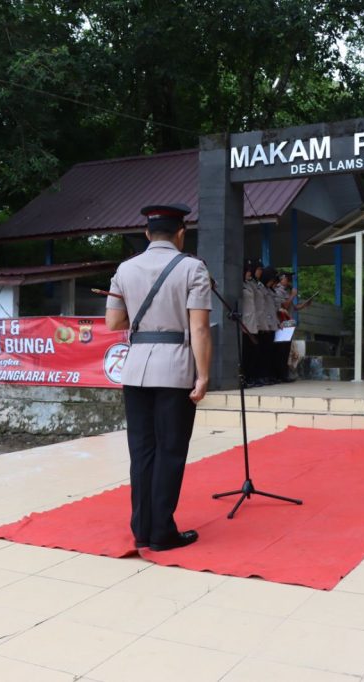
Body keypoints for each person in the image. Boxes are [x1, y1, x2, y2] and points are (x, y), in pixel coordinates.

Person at [105, 203, 211, 552]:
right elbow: (199, 327)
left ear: (148, 233)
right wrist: (204, 375)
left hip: (135, 369)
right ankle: (162, 531)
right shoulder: (193, 269)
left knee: (142, 451)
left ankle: (141, 528)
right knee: (170, 450)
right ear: (181, 233)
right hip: (175, 368)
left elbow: (113, 323)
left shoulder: (124, 269)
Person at [240, 260, 260, 387]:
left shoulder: (249, 284)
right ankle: (244, 378)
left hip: (252, 322)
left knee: (252, 352)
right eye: (247, 271)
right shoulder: (240, 284)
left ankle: (250, 377)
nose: (249, 273)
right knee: (246, 353)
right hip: (244, 323)